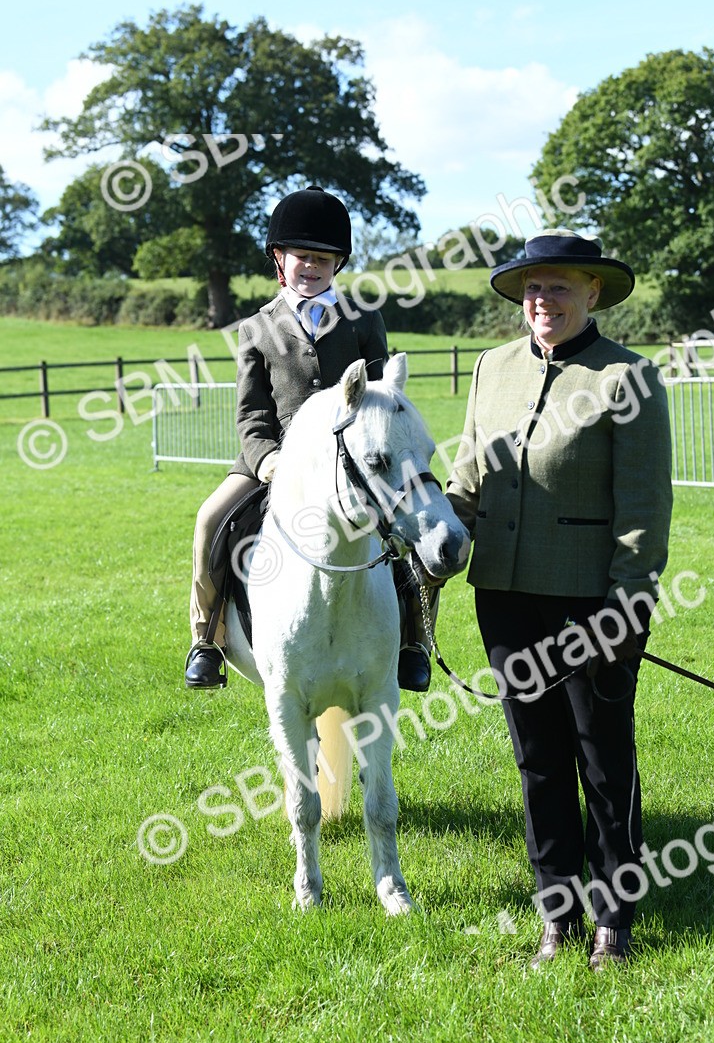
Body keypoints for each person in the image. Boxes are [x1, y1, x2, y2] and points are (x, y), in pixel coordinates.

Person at [446, 228, 672, 970]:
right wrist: (434, 543)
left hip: (590, 605)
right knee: (537, 757)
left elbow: (643, 509)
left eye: (560, 288)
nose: (544, 301)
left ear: (593, 293)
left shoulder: (627, 378)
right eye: (533, 288)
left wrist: (626, 603)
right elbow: (468, 479)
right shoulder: (491, 368)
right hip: (503, 597)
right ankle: (557, 912)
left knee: (602, 759)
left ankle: (616, 917)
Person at [185, 186, 432, 692]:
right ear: (281, 259)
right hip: (273, 459)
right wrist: (268, 460)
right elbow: (252, 413)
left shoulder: (364, 320)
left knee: (410, 521)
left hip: (353, 460)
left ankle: (413, 641)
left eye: (323, 259)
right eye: (303, 257)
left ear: (337, 263)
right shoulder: (256, 328)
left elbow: (382, 396)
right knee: (210, 518)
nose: (312, 267)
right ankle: (206, 637)